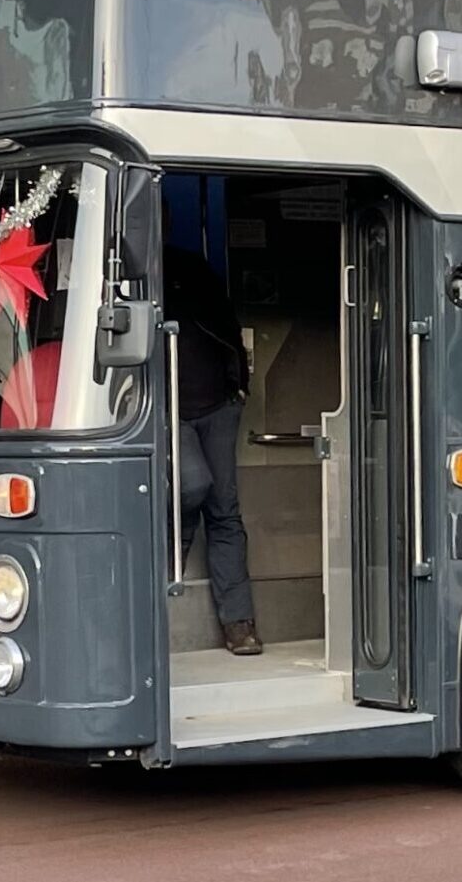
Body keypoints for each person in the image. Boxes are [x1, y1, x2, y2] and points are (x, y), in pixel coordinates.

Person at [165, 246, 261, 656]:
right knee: (193, 487)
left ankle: (239, 623)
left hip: (219, 407)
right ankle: (162, 588)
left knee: (224, 511)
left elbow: (227, 327)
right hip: (171, 411)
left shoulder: (193, 269)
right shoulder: (134, 272)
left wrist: (238, 387)